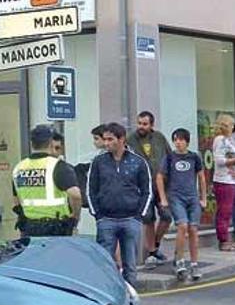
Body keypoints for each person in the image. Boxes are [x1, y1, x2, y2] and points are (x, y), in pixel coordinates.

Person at [87, 122, 152, 286]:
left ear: (121, 139)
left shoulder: (138, 162)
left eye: (110, 139)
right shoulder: (99, 162)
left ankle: (130, 297)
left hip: (131, 219)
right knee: (105, 264)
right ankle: (108, 294)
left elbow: (147, 190)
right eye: (105, 139)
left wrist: (139, 216)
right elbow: (90, 190)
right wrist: (98, 215)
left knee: (130, 264)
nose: (106, 143)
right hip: (106, 220)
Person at [11, 125, 81, 237]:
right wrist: (75, 215)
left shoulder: (19, 167)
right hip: (55, 227)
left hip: (29, 227)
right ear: (50, 143)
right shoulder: (58, 166)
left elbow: (16, 201)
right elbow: (75, 195)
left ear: (32, 143)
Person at [157, 128, 207, 281]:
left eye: (181, 139)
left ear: (187, 141)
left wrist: (203, 198)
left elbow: (201, 177)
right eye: (175, 140)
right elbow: (159, 177)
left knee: (193, 228)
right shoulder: (169, 157)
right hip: (176, 196)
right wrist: (163, 198)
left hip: (192, 197)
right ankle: (179, 260)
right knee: (182, 225)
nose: (178, 142)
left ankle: (194, 263)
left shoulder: (194, 157)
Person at [127, 111, 173, 266]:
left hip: (161, 184)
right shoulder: (130, 140)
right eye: (139, 123)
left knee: (167, 216)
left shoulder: (159, 138)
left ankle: (156, 245)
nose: (141, 126)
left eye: (145, 124)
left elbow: (169, 157)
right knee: (148, 219)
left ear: (151, 125)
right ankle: (152, 252)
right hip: (141, 186)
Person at [212, 114, 235, 251]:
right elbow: (219, 160)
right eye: (231, 125)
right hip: (223, 179)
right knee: (224, 211)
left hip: (230, 179)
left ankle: (226, 238)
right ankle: (223, 240)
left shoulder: (227, 140)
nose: (232, 127)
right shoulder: (220, 140)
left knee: (228, 210)